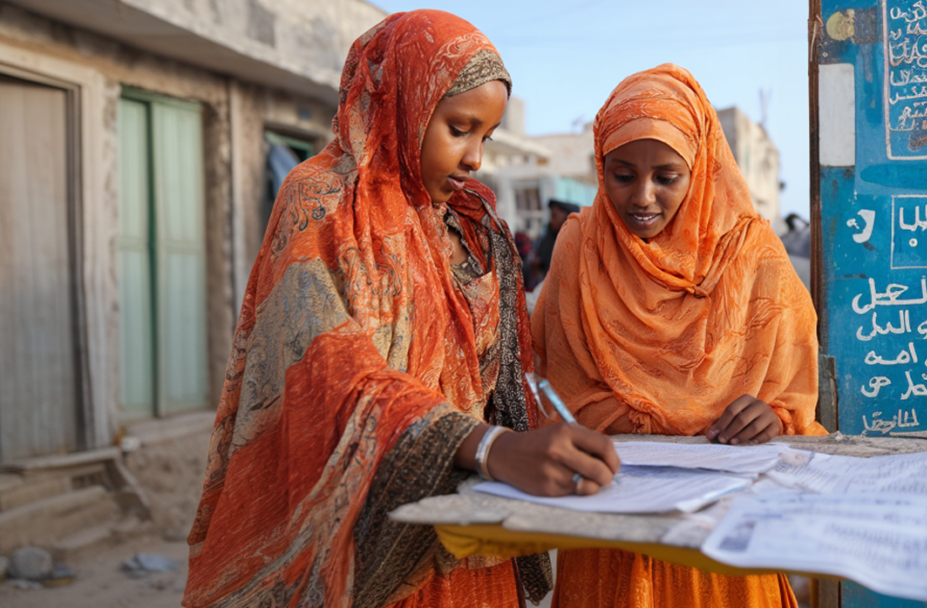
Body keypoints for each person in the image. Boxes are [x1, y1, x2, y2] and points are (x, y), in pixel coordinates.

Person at [182, 11, 619, 608]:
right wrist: (488, 448)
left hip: (468, 531)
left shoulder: (469, 225)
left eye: (485, 137)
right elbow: (328, 367)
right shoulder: (323, 202)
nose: (474, 159)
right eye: (459, 128)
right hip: (369, 536)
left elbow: (502, 381)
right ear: (405, 103)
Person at [532, 64, 826, 607]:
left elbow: (791, 394)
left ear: (702, 169)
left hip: (727, 531)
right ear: (601, 168)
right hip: (613, 528)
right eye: (622, 175)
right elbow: (557, 390)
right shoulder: (579, 249)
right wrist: (678, 423)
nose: (643, 196)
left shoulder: (752, 255)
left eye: (667, 177)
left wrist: (775, 417)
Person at [533, 198, 580, 282]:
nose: (551, 221)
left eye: (554, 216)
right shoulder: (550, 238)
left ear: (567, 217)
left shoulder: (579, 243)